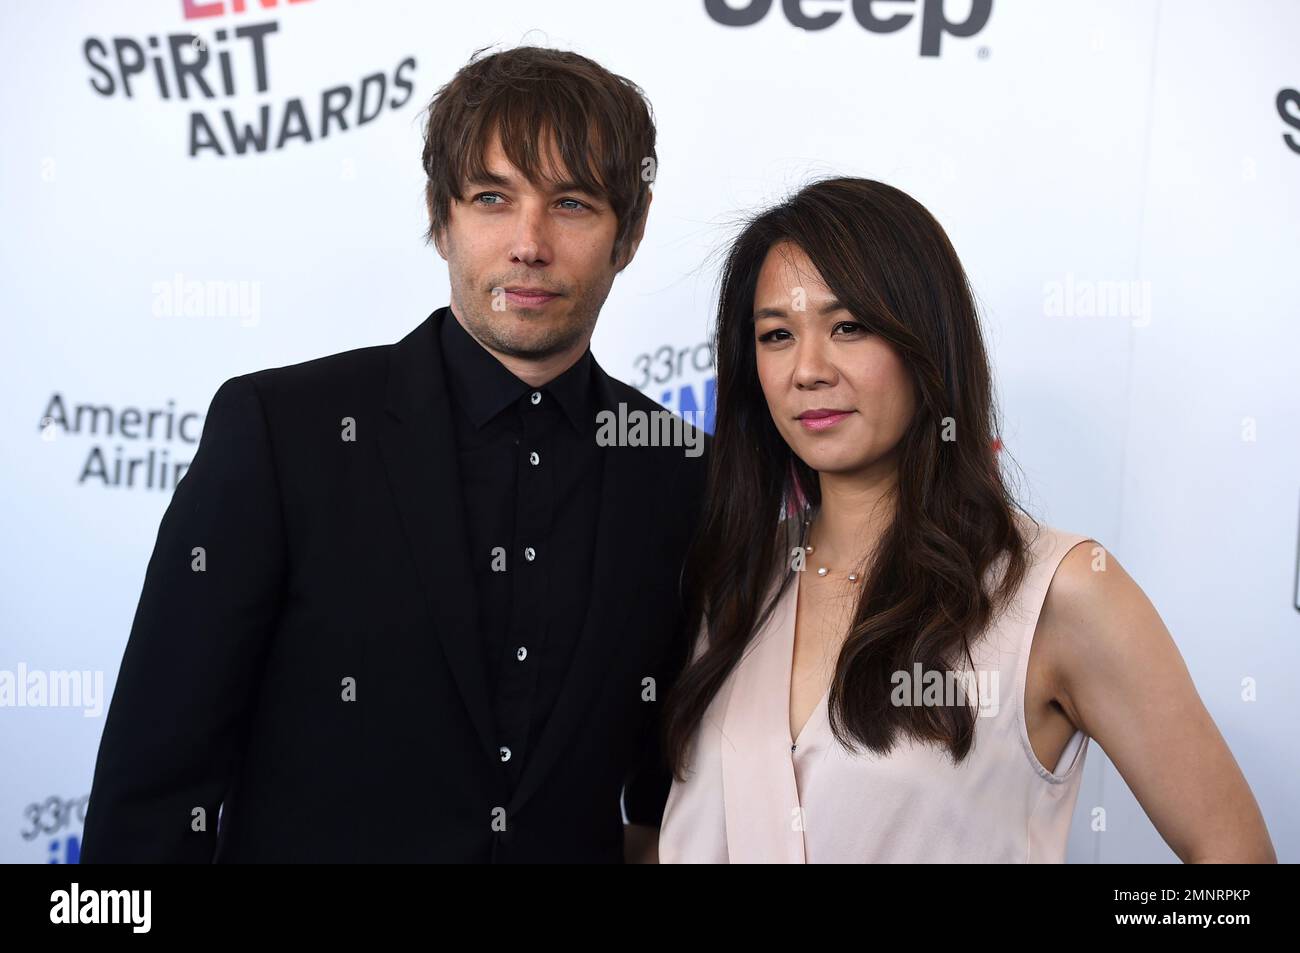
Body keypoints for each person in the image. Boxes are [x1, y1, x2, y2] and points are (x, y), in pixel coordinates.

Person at [81, 45, 706, 863]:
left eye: (574, 204)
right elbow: (152, 788)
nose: (529, 243)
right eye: (492, 198)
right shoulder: (281, 431)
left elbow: (675, 801)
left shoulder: (680, 469)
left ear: (632, 230)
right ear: (441, 217)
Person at [658, 177, 1275, 863]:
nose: (807, 369)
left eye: (849, 327)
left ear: (927, 341)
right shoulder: (735, 580)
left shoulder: (1058, 592)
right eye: (777, 335)